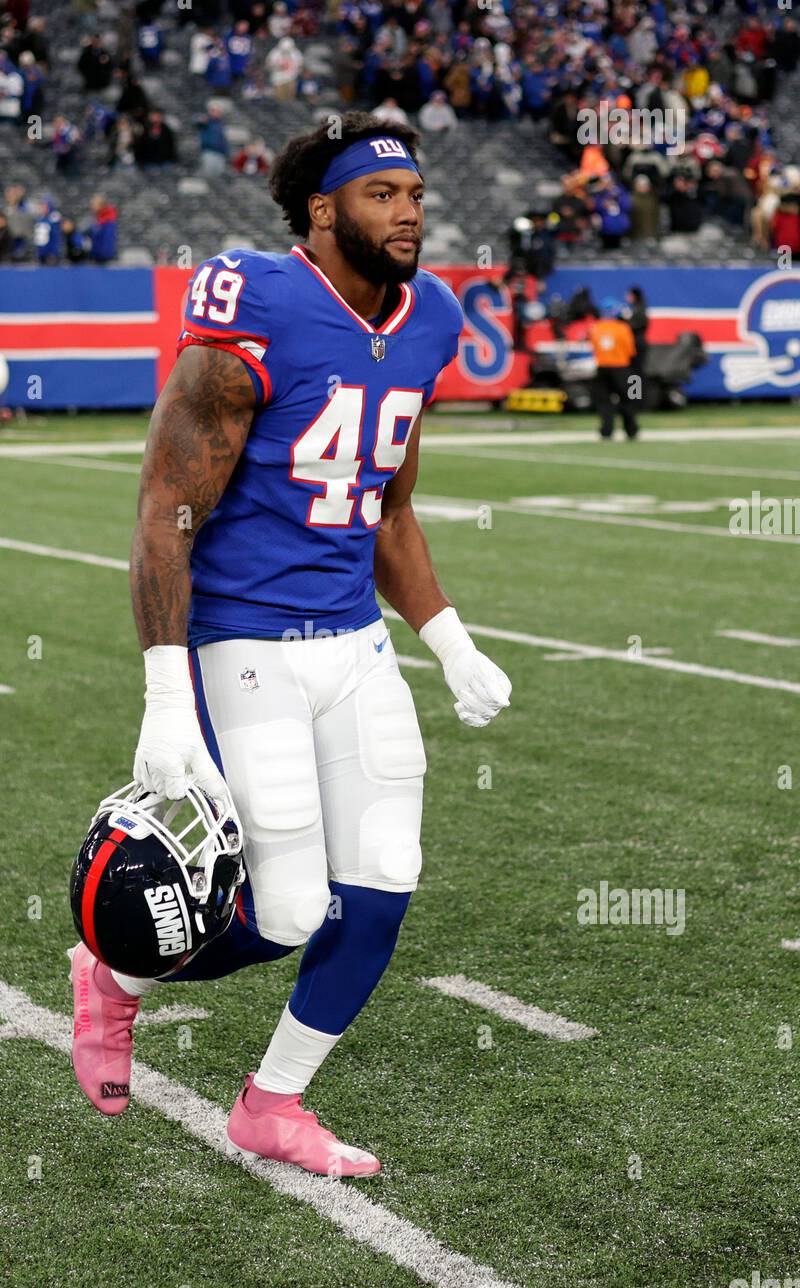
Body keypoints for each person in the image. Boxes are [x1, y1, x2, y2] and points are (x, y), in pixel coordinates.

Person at [69, 113, 513, 1177]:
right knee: (282, 909)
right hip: (243, 641)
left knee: (384, 880)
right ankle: (111, 975)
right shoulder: (256, 299)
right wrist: (166, 692)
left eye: (414, 193)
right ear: (324, 210)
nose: (407, 211)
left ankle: (273, 1101)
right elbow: (167, 506)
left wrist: (447, 640)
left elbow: (387, 509)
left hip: (354, 642)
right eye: (379, 194)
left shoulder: (430, 315)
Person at [589, 297, 639, 440]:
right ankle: (631, 430)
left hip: (602, 368)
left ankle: (606, 430)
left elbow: (594, 348)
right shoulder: (623, 328)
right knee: (629, 399)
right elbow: (631, 351)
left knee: (604, 402)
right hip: (621, 368)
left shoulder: (596, 328)